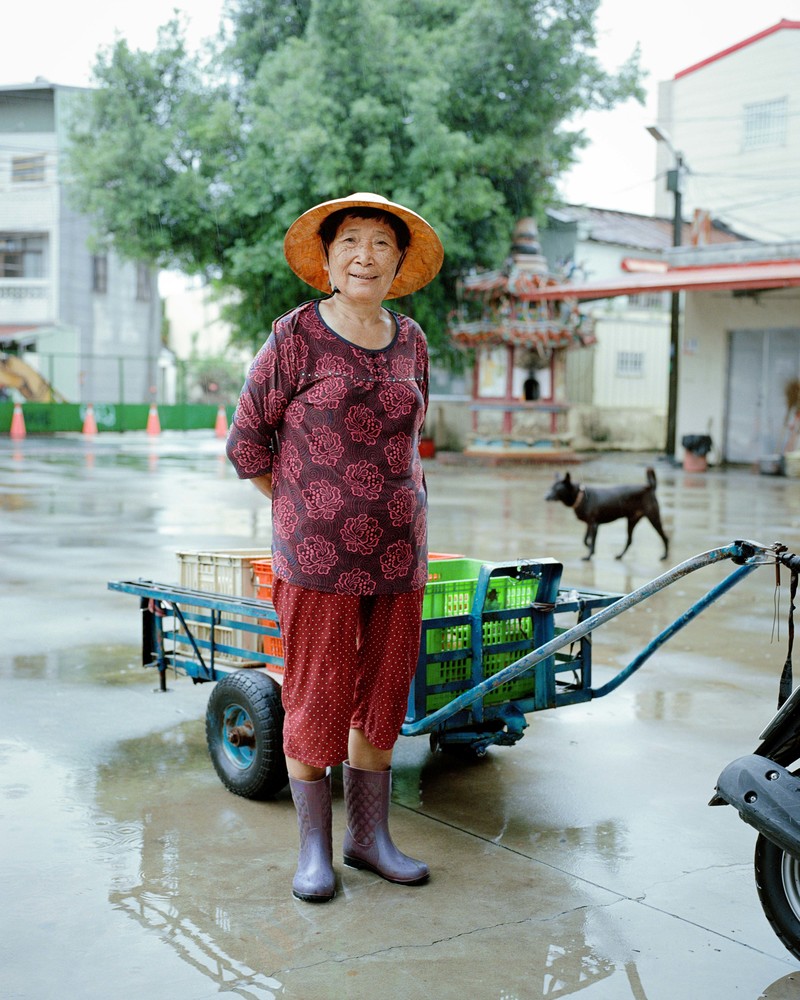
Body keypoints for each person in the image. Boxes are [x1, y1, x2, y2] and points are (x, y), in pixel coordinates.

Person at [226, 192, 444, 902]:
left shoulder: (411, 339)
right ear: (326, 258)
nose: (365, 256)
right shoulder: (293, 337)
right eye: (351, 241)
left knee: (384, 696)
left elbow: (414, 437)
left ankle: (369, 838)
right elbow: (247, 442)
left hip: (400, 556)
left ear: (399, 262)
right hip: (316, 561)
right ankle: (314, 852)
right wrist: (303, 508)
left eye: (382, 244)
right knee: (316, 701)